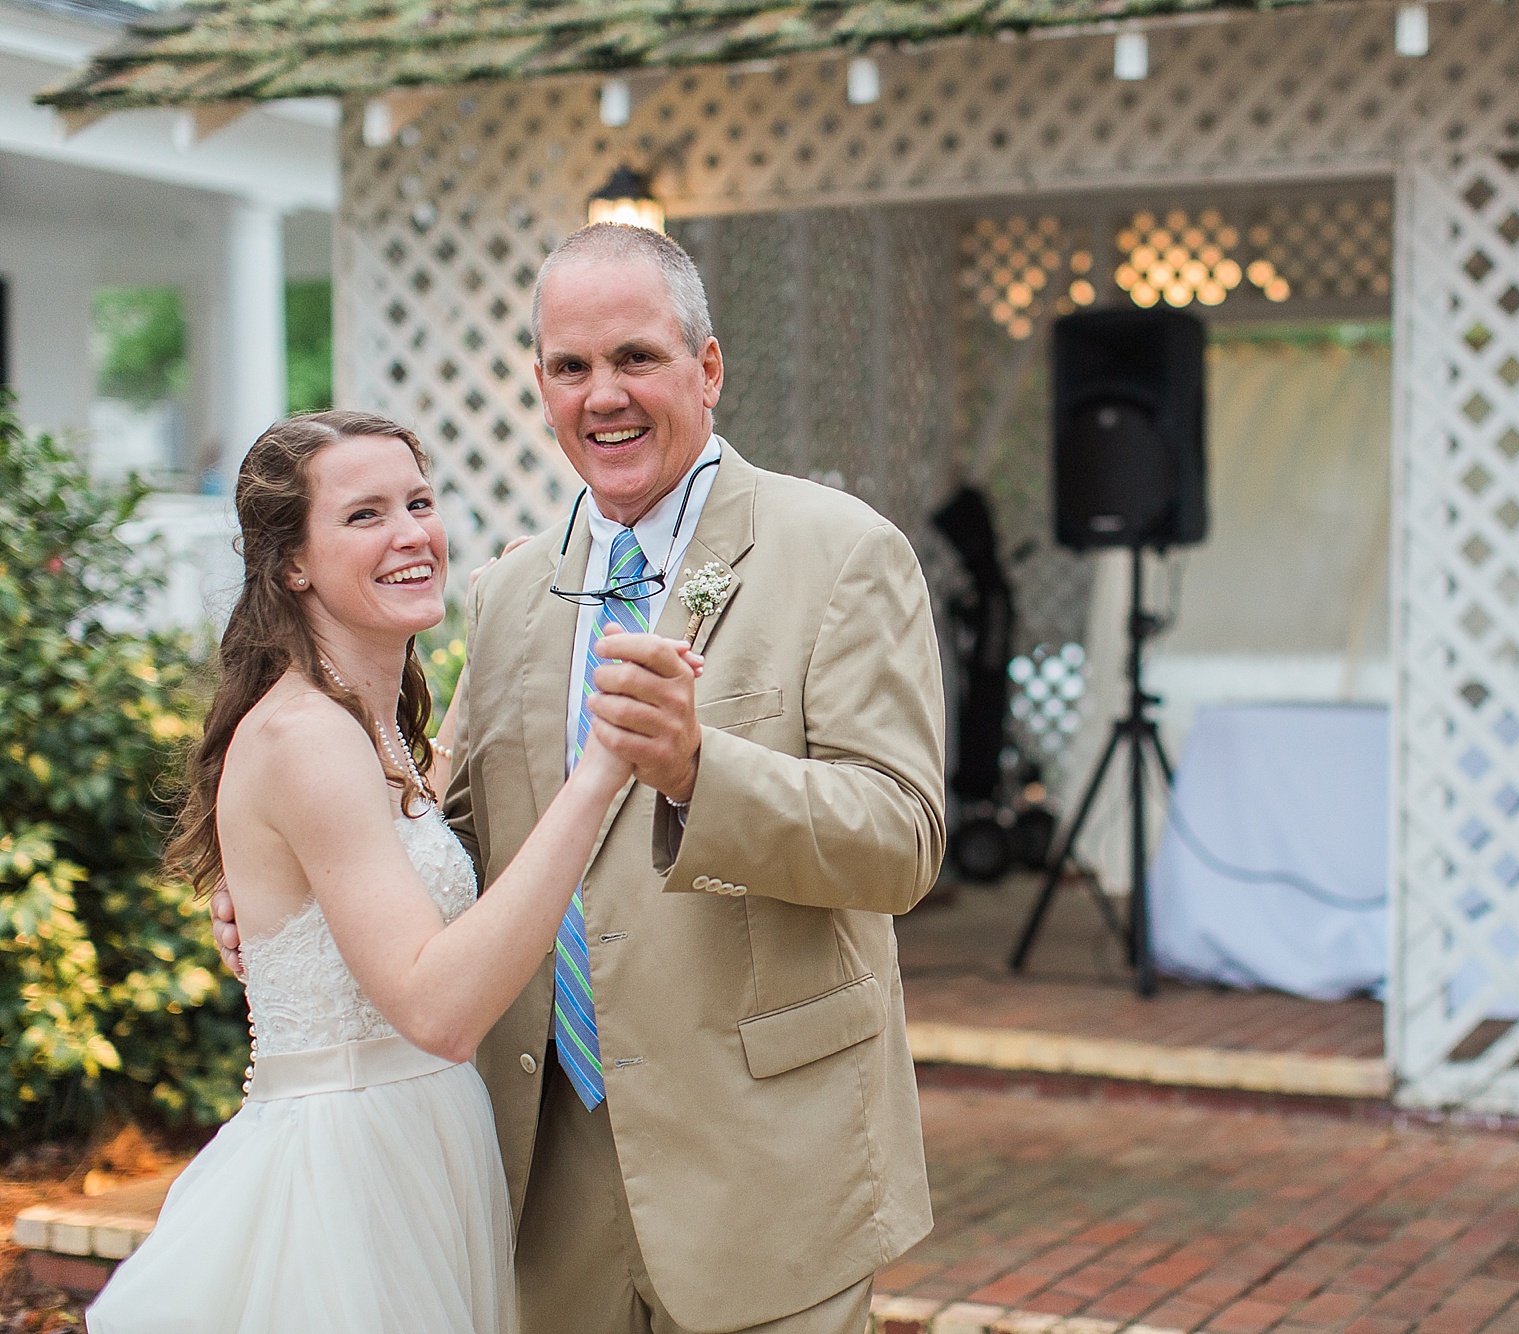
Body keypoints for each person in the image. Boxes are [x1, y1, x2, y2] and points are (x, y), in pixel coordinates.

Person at [214, 223, 947, 1334]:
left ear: (706, 368)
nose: (601, 394)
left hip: (766, 1168)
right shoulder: (509, 591)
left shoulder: (840, 552)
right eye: (570, 366)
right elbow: (454, 836)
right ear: (544, 388)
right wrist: (291, 898)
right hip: (539, 1182)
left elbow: (900, 840)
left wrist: (703, 769)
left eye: (635, 358)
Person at [90, 410, 668, 1333]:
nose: (411, 534)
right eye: (364, 516)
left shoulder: (375, 728)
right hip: (345, 1182)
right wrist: (601, 770)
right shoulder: (308, 738)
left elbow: (437, 810)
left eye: (419, 502)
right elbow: (436, 1011)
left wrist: (506, 630)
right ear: (292, 564)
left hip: (424, 1146)